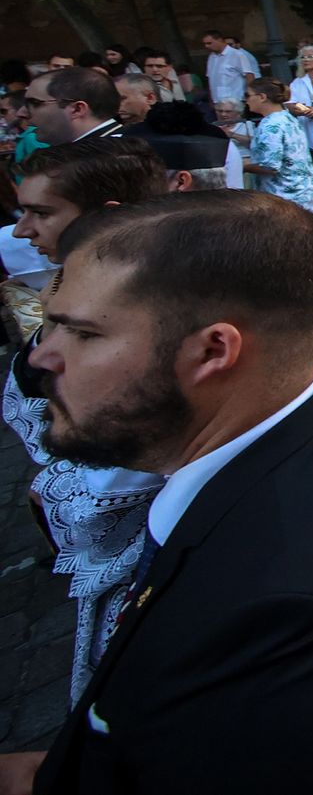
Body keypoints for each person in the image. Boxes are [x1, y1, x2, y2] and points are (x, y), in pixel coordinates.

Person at [12, 190, 313, 794]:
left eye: (81, 334)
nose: (44, 359)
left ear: (216, 349)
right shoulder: (307, 420)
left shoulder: (274, 611)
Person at [4, 140, 167, 709]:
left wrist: (56, 489)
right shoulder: (68, 283)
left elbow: (137, 457)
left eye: (41, 213)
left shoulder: (143, 309)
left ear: (111, 215)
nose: (22, 231)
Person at [242, 78, 313, 212]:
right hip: (306, 193)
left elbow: (270, 166)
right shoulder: (288, 117)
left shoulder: (271, 125)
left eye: (247, 95)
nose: (246, 100)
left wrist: (242, 167)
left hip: (286, 200)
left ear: (262, 97)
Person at [16, 67, 124, 145]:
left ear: (77, 109)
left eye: (34, 103)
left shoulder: (113, 156)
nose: (21, 113)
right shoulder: (102, 149)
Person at [201, 29, 256, 107]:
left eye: (209, 43)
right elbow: (210, 79)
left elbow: (249, 76)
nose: (206, 46)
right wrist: (211, 99)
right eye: (205, 44)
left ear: (219, 40)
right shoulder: (211, 57)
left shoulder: (236, 55)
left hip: (235, 100)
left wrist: (249, 96)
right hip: (217, 101)